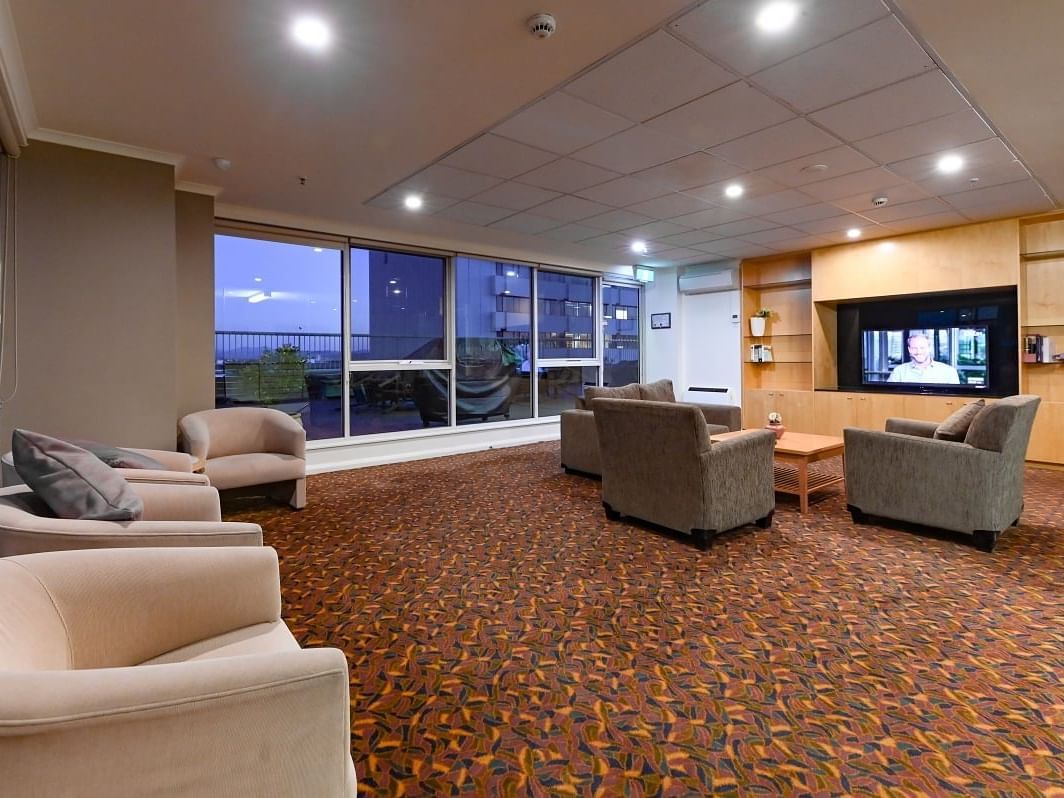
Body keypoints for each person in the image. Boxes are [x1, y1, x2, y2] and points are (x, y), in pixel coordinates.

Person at [887, 332, 960, 384]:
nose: (919, 352)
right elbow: (889, 396)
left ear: (929, 348)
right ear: (909, 349)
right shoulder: (899, 371)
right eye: (914, 348)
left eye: (922, 348)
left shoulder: (949, 372)